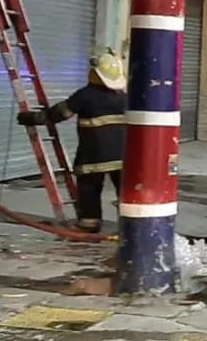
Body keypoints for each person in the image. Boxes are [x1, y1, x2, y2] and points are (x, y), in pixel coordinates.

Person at [17, 49, 126, 232]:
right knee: (125, 191)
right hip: (123, 156)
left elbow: (59, 114)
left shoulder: (85, 95)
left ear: (95, 74)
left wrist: (30, 118)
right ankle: (130, 225)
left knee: (89, 187)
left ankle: (89, 224)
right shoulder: (123, 98)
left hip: (94, 155)